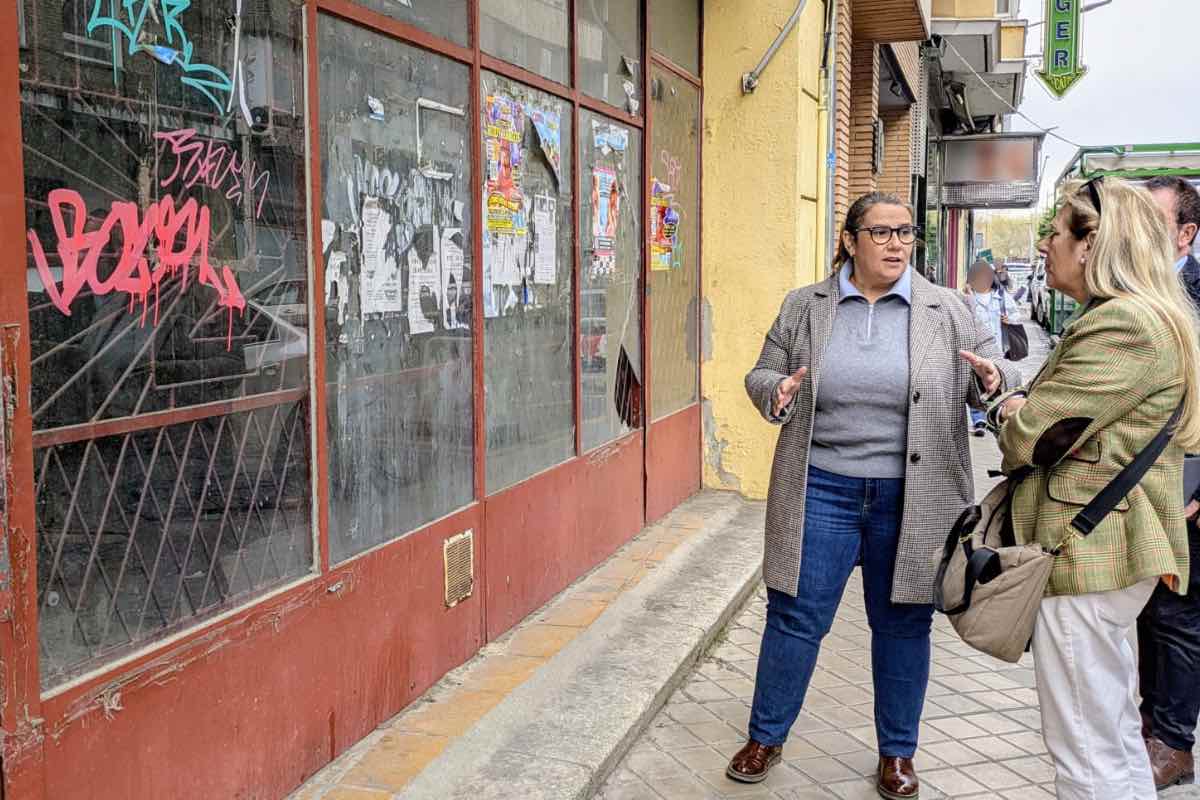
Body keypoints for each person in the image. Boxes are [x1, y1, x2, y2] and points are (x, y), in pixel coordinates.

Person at [735, 192, 1020, 799]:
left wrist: (995, 381)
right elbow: (761, 373)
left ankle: (897, 754)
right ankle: (766, 736)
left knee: (903, 623)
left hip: (913, 498)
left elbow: (994, 375)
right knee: (794, 616)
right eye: (882, 232)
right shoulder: (805, 306)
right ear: (850, 240)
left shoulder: (947, 308)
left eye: (905, 233)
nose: (896, 244)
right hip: (822, 489)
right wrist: (776, 392)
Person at [993, 177, 1200, 800]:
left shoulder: (1125, 325)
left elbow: (1032, 435)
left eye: (1056, 231)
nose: (1047, 243)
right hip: (1103, 552)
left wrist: (1011, 409)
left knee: (1084, 750)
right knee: (1109, 735)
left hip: (1088, 554)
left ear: (1092, 245)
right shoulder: (1140, 315)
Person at [1139, 175, 1200, 789]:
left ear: (1186, 233)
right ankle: (1145, 727)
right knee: (1142, 612)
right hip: (1140, 490)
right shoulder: (1132, 292)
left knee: (1178, 616)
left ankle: (1174, 743)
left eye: (1151, 221)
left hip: (1190, 491)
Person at [963, 261, 1005, 436]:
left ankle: (989, 414)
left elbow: (1015, 313)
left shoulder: (999, 296)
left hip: (995, 345)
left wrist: (1008, 318)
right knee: (974, 376)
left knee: (990, 379)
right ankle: (978, 420)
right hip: (975, 346)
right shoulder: (968, 297)